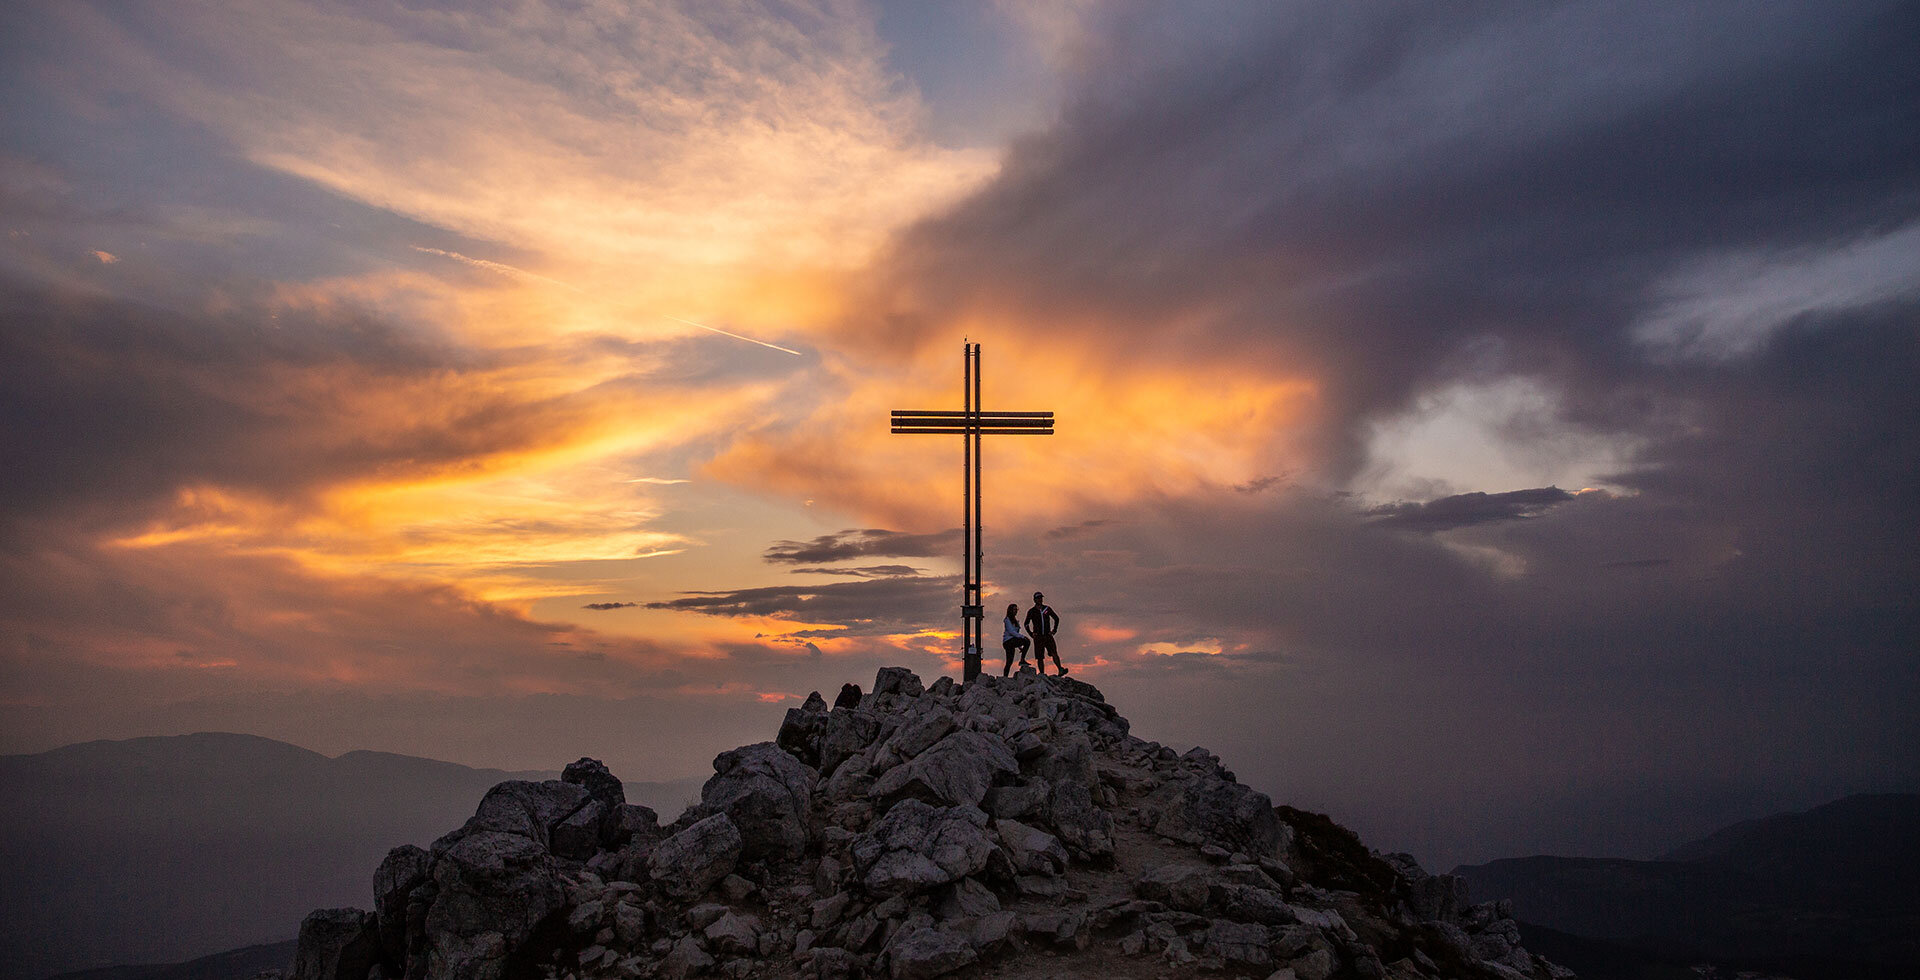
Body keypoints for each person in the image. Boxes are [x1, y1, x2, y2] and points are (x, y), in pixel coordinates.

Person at [1024, 591, 1066, 675]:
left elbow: (1056, 618)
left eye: (1041, 598)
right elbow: (1026, 624)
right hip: (1038, 636)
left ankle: (1060, 669)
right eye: (1038, 598)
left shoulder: (1047, 609)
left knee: (1054, 652)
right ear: (1034, 600)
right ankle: (1042, 674)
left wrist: (1054, 630)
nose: (1040, 600)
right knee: (1040, 657)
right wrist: (1031, 633)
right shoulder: (1032, 611)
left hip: (1047, 635)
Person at [1001, 603, 1031, 676]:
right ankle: (1005, 676)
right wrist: (1022, 637)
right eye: (1014, 609)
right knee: (1009, 661)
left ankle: (1022, 660)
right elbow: (1011, 632)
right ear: (1010, 610)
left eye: (1016, 609)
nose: (1015, 611)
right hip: (1008, 642)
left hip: (1012, 641)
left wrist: (1019, 646)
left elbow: (1015, 634)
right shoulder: (1007, 620)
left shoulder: (1015, 621)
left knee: (1010, 661)